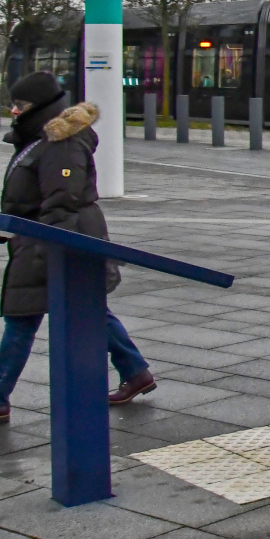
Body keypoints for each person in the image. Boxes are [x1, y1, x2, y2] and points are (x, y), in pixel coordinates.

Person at [0, 71, 155, 423]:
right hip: (41, 237)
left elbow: (62, 201)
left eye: (20, 105)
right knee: (87, 307)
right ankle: (135, 371)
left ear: (41, 106)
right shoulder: (40, 139)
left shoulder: (62, 143)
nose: (14, 111)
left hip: (53, 239)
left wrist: (50, 250)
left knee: (22, 318)